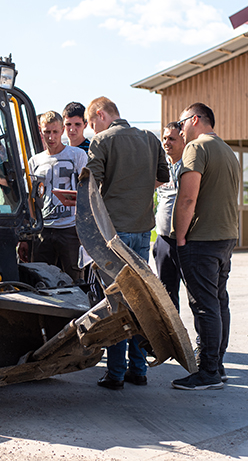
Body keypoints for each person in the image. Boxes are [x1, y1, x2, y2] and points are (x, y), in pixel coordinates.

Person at [84, 96, 169, 390]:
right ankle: (139, 369)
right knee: (139, 300)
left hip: (113, 234)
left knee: (116, 301)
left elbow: (90, 184)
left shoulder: (102, 141)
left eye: (91, 123)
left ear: (100, 114)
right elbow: (163, 176)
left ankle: (116, 373)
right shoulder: (149, 138)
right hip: (143, 230)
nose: (91, 130)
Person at [171, 102, 240, 391]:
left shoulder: (196, 148)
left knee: (205, 305)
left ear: (195, 119)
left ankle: (209, 370)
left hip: (202, 239)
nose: (180, 128)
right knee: (218, 300)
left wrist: (180, 236)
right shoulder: (228, 151)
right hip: (226, 237)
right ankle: (217, 364)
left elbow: (188, 198)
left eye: (182, 122)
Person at [28, 111, 87, 283]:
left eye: (55, 132)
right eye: (47, 132)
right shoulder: (35, 161)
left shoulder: (77, 155)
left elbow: (88, 189)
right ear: (41, 131)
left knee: (74, 279)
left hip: (70, 228)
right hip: (44, 228)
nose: (51, 137)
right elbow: (31, 197)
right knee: (40, 279)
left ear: (62, 130)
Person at [153, 122, 186, 311]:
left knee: (195, 293)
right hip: (163, 239)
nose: (167, 143)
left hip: (184, 240)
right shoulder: (161, 166)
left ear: (183, 140)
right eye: (164, 138)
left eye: (172, 139)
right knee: (166, 294)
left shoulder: (190, 166)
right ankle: (172, 339)